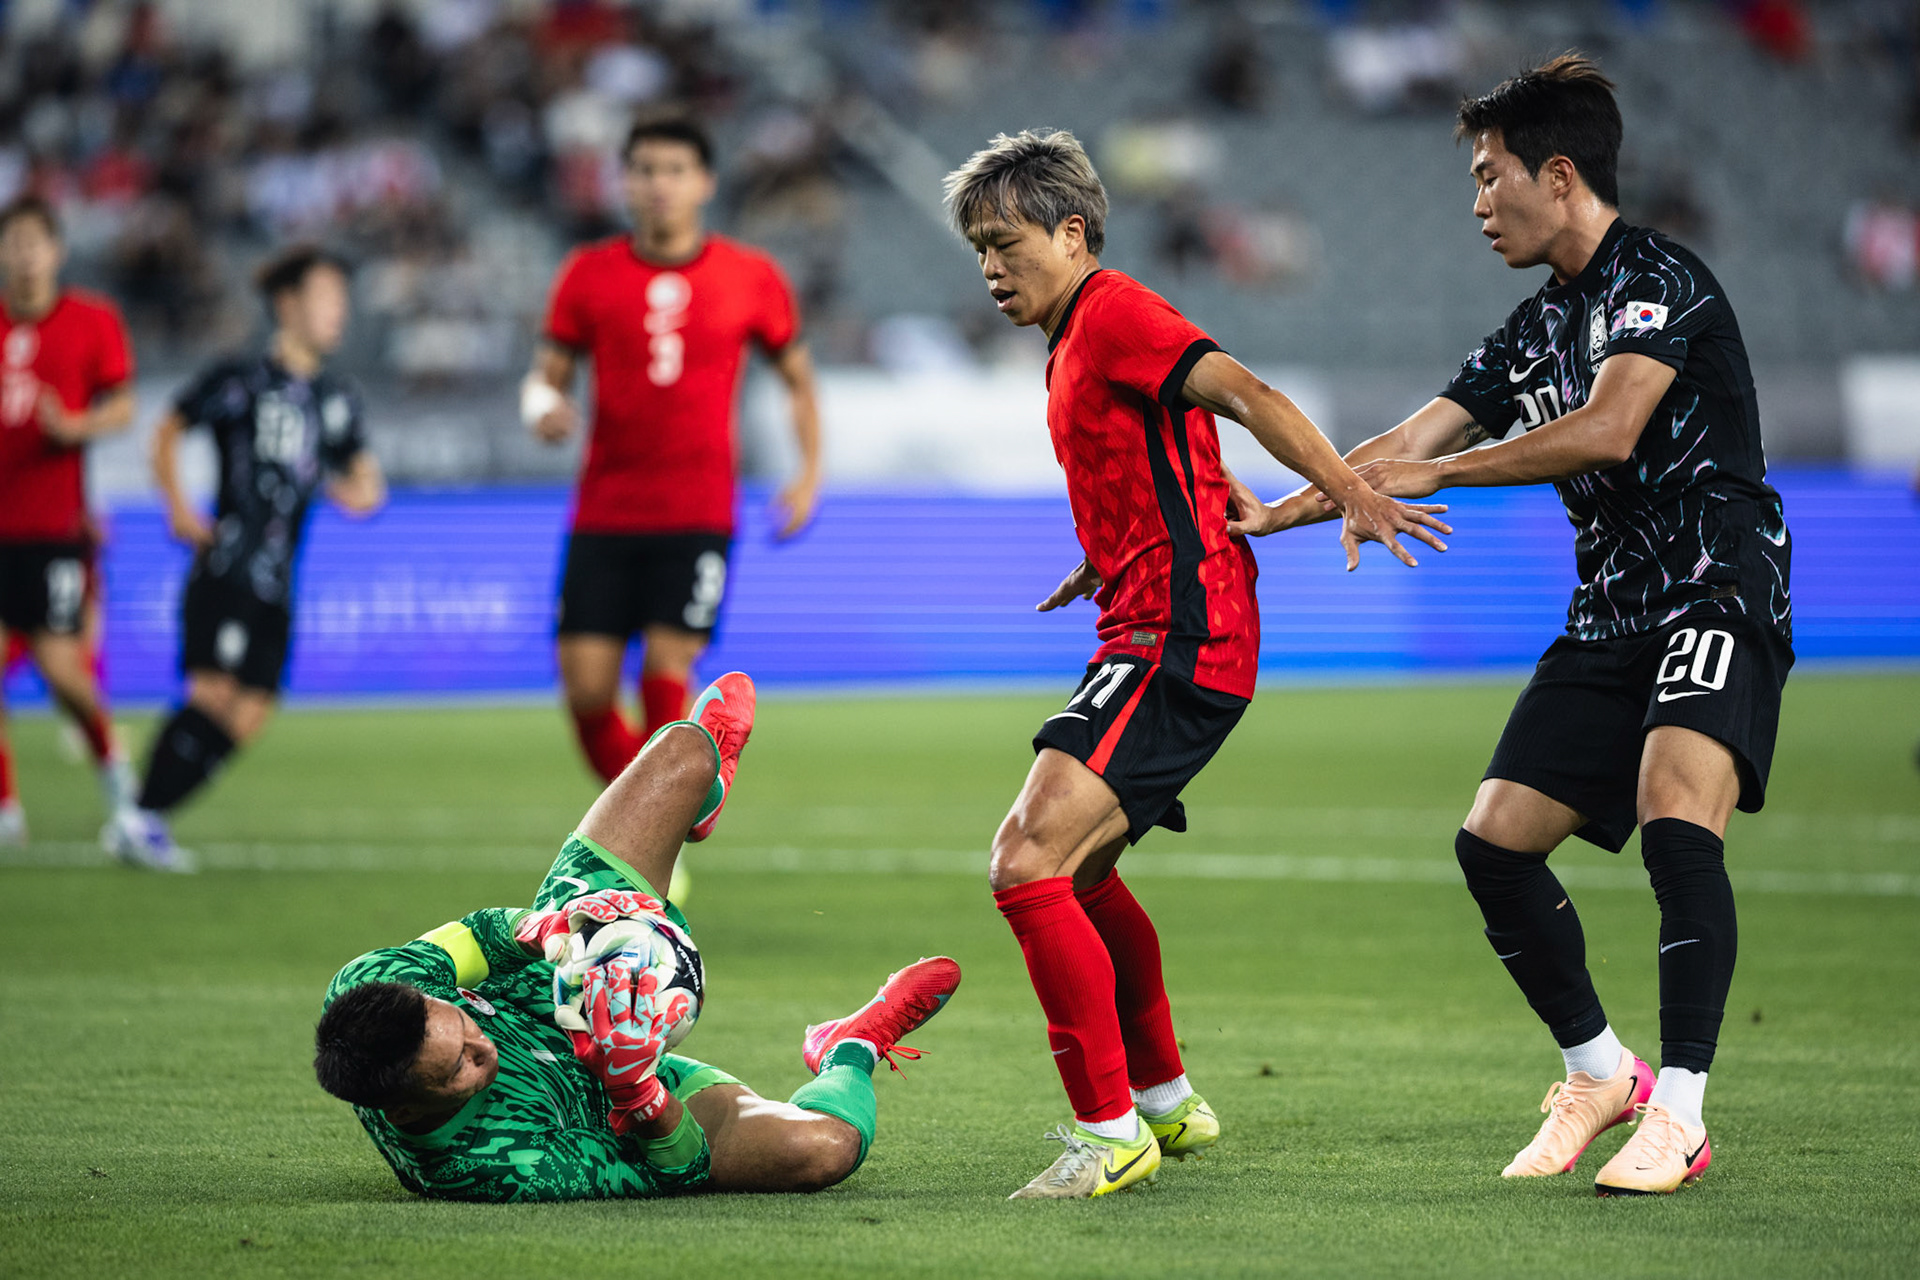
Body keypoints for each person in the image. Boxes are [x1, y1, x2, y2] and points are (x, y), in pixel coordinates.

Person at [1230, 55, 1793, 1196]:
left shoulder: (1659, 280)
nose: (1478, 204)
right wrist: (1280, 510)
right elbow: (1408, 441)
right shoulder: (1538, 324)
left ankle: (1679, 1108)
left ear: (1561, 172)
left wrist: (1441, 478)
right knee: (1493, 841)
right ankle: (1598, 1074)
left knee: (1679, 817)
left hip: (1715, 585)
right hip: (1610, 608)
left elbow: (1606, 430)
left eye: (1491, 179)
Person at [943, 129, 1451, 1199]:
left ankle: (1108, 1128)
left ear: (1071, 233)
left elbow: (1249, 395)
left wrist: (1351, 491)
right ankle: (1166, 1101)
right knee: (1078, 873)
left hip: (1179, 634)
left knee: (1025, 860)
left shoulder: (1117, 310)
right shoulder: (1072, 336)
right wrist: (1105, 555)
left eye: (1004, 242)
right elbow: (1160, 463)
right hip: (1151, 619)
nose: (990, 267)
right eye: (977, 250)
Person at [312, 671, 961, 1202]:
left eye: (461, 1022)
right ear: (402, 1105)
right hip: (620, 1096)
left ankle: (701, 805)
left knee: (685, 749)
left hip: (567, 958)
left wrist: (543, 928)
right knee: (824, 1150)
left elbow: (480, 937)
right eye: (458, 1068)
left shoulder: (368, 986)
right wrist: (639, 1092)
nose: (480, 1047)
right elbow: (675, 1171)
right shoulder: (480, 1165)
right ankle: (849, 1048)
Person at [525, 115, 823, 786]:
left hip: (697, 512)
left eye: (675, 170)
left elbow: (800, 384)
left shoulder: (750, 275)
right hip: (603, 510)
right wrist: (542, 408)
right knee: (588, 694)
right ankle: (654, 822)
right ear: (625, 182)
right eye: (645, 170)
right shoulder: (587, 274)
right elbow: (545, 378)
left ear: (705, 183)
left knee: (666, 672)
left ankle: (658, 840)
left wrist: (808, 475)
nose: (660, 184)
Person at [105, 245, 386, 871]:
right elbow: (168, 429)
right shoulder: (242, 380)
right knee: (213, 692)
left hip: (281, 580)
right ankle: (140, 814)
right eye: (326, 297)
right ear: (288, 304)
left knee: (251, 712)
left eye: (342, 299)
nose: (338, 311)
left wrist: (350, 488)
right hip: (229, 566)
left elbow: (368, 482)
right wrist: (178, 507)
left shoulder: (336, 398)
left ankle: (144, 807)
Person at [0, 195, 139, 847]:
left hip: (53, 530)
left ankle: (114, 768)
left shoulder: (91, 320)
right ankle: (7, 809)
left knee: (63, 674)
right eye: (13, 243)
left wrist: (76, 425)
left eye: (35, 242)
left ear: (56, 251)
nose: (24, 255)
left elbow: (124, 406)